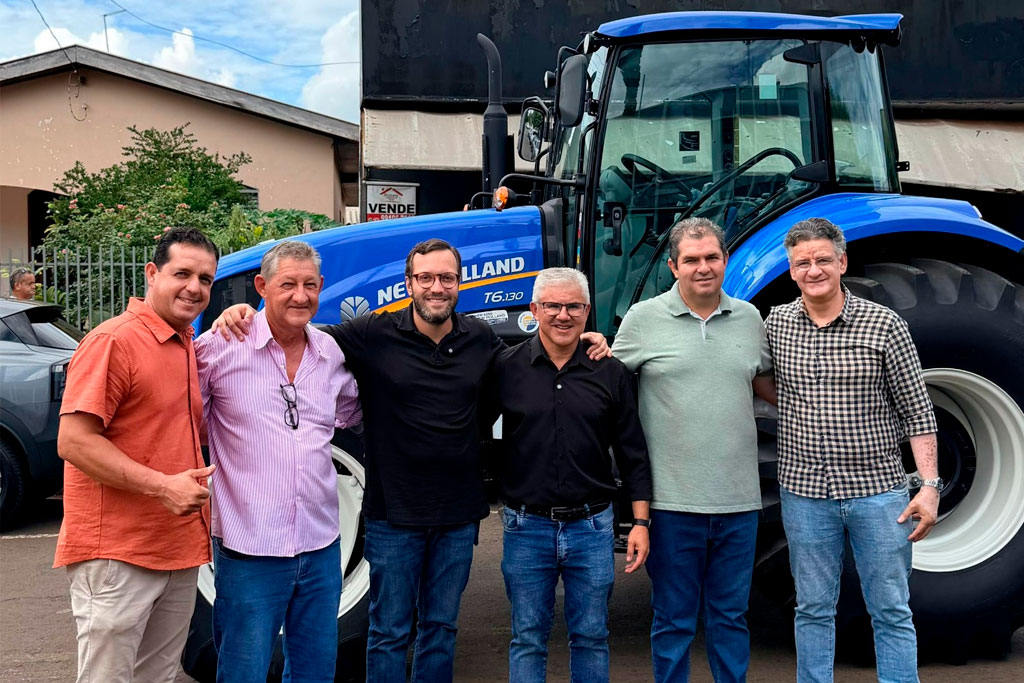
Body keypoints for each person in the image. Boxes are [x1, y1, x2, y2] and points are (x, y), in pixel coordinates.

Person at [211, 238, 609, 683]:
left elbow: (534, 363)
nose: (436, 287)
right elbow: (301, 329)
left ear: (460, 284)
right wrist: (244, 312)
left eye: (447, 278)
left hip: (458, 515)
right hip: (393, 515)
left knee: (440, 628)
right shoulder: (372, 333)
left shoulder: (481, 340)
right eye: (426, 278)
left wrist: (582, 339)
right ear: (409, 283)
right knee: (389, 631)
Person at [765, 218, 939, 683]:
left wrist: (929, 487)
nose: (813, 269)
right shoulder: (776, 323)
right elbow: (753, 373)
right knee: (813, 608)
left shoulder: (885, 325)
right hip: (804, 494)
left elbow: (919, 413)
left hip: (878, 495)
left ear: (842, 262)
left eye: (823, 259)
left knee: (890, 608)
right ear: (791, 270)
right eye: (802, 262)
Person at [613, 217, 775, 682]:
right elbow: (605, 385)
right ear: (672, 266)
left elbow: (767, 386)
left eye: (711, 257)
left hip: (739, 505)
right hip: (671, 505)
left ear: (724, 260)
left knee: (729, 619)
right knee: (673, 621)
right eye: (691, 259)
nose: (703, 267)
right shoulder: (644, 320)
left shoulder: (748, 317)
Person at [54, 227, 218, 683]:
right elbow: (74, 441)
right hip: (118, 554)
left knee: (158, 677)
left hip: (177, 551)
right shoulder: (115, 340)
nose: (195, 287)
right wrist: (162, 486)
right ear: (151, 273)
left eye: (205, 279)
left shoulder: (183, 341)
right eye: (182, 273)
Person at [194, 241, 361, 682]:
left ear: (322, 287)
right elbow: (178, 421)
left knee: (314, 671)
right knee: (243, 671)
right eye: (288, 284)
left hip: (322, 546)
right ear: (261, 286)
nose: (300, 296)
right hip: (249, 550)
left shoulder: (330, 354)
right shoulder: (219, 347)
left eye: (310, 285)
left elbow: (354, 413)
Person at [494, 267, 652, 683]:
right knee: (527, 637)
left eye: (573, 307)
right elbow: (472, 434)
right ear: (534, 309)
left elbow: (633, 451)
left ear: (586, 312)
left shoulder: (611, 371)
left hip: (592, 526)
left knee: (591, 636)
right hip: (526, 527)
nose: (563, 315)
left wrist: (640, 522)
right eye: (552, 306)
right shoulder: (506, 368)